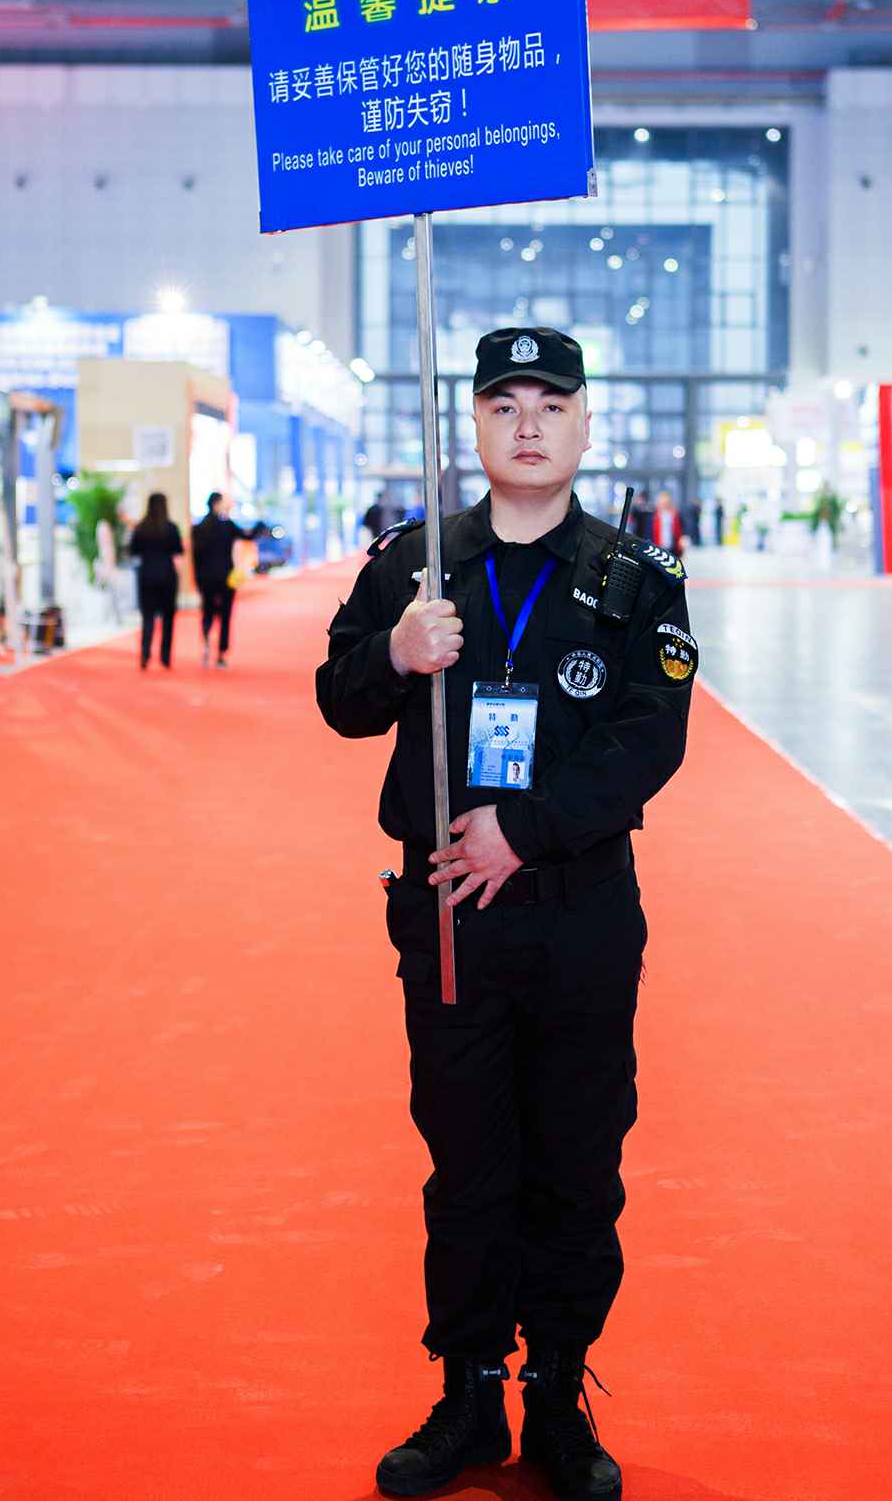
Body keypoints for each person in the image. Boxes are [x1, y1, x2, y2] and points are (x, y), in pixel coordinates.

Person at [316, 326, 696, 1501]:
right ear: (473, 425)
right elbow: (339, 698)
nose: (527, 425)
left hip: (580, 916)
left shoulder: (637, 580)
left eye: (550, 404)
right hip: (450, 923)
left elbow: (650, 739)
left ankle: (559, 1399)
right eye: (502, 405)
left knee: (578, 1160)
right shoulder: (413, 566)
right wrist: (394, 652)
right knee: (467, 1162)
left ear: (584, 424)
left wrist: (523, 830)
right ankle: (469, 1394)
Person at [191, 492, 266, 667]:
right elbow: (248, 536)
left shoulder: (199, 528)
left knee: (207, 612)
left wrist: (198, 579)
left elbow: (196, 557)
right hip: (226, 577)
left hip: (206, 578)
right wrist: (260, 521)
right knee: (225, 615)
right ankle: (221, 655)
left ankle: (206, 640)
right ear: (216, 504)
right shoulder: (227, 525)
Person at [128, 492, 183, 669]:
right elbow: (179, 551)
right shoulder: (171, 528)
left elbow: (133, 551)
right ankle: (165, 657)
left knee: (148, 617)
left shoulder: (141, 528)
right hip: (168, 576)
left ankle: (145, 654)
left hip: (146, 576)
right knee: (168, 618)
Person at [650, 488, 685, 559]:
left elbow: (681, 531)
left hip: (672, 548)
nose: (664, 504)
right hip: (657, 548)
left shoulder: (675, 515)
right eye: (662, 502)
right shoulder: (653, 516)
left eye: (666, 502)